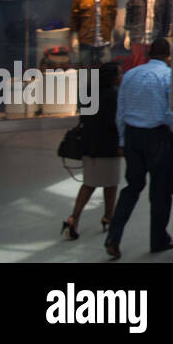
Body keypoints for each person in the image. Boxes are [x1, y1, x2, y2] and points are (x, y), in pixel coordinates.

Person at [104, 39, 173, 258]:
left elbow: (121, 111)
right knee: (160, 190)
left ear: (149, 53)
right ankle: (158, 238)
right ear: (168, 56)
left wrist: (123, 141)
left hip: (133, 136)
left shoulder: (131, 75)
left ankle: (113, 236)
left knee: (132, 187)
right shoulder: (168, 76)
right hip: (157, 137)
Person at [63, 62, 122, 240]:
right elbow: (114, 122)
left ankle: (74, 217)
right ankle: (108, 217)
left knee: (89, 184)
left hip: (89, 145)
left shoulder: (89, 93)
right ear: (112, 77)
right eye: (119, 73)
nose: (121, 76)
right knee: (111, 184)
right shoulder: (113, 95)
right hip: (108, 146)